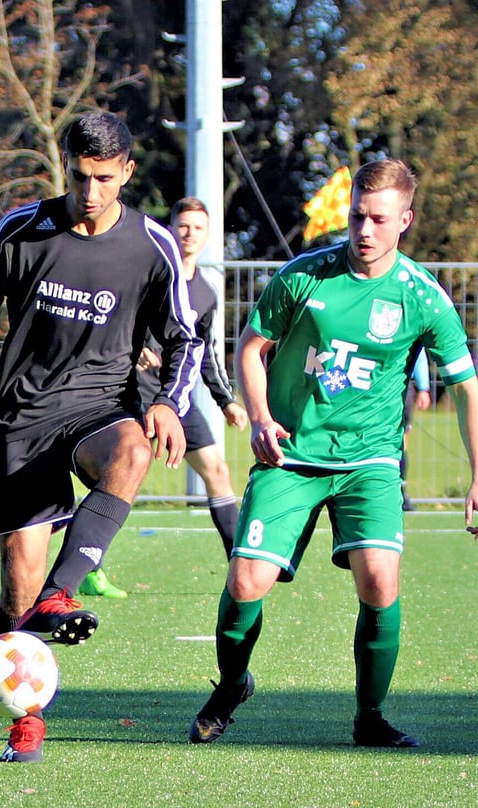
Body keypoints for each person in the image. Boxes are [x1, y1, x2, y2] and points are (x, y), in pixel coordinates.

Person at [188, 159, 478, 749]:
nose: (364, 230)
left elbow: (466, 386)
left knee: (380, 581)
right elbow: (250, 349)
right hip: (292, 452)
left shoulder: (424, 297)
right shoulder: (304, 277)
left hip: (369, 462)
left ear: (405, 219)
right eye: (356, 217)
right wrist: (262, 418)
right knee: (247, 580)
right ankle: (231, 685)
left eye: (377, 219)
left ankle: (369, 717)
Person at [0, 111, 203, 762]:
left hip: (98, 408)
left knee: (135, 448)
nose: (91, 192)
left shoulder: (151, 245)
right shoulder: (22, 232)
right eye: (80, 176)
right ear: (65, 165)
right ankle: (24, 709)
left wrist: (170, 402)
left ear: (128, 173)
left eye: (105, 179)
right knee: (15, 589)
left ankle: (64, 591)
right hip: (22, 419)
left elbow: (184, 337)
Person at [81, 197, 249, 598]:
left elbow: (203, 351)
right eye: (182, 225)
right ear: (171, 228)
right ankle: (90, 566)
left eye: (197, 227)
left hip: (177, 401)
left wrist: (225, 399)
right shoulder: (149, 273)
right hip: (130, 396)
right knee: (119, 478)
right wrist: (132, 347)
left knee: (217, 471)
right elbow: (110, 315)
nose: (189, 233)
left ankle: (241, 565)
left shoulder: (205, 293)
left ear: (207, 236)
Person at [400, 349, 432, 511]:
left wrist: (423, 388)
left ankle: (401, 491)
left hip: (401, 386)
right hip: (374, 385)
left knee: (401, 442)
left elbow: (419, 354)